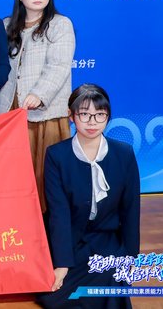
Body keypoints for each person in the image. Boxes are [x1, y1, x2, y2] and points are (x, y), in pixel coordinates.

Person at [39, 84, 140, 309]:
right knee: (53, 296)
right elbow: (59, 213)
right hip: (68, 238)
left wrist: (132, 257)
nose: (92, 122)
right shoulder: (56, 155)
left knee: (112, 278)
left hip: (106, 238)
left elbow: (131, 209)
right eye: (84, 114)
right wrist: (62, 263)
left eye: (99, 115)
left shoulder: (124, 153)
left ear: (108, 116)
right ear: (71, 116)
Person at [0, 0, 75, 213]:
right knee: (13, 172)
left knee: (45, 177)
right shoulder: (6, 25)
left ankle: (47, 224)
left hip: (45, 113)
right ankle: (18, 219)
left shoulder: (60, 25)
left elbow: (59, 66)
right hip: (11, 110)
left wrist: (39, 95)